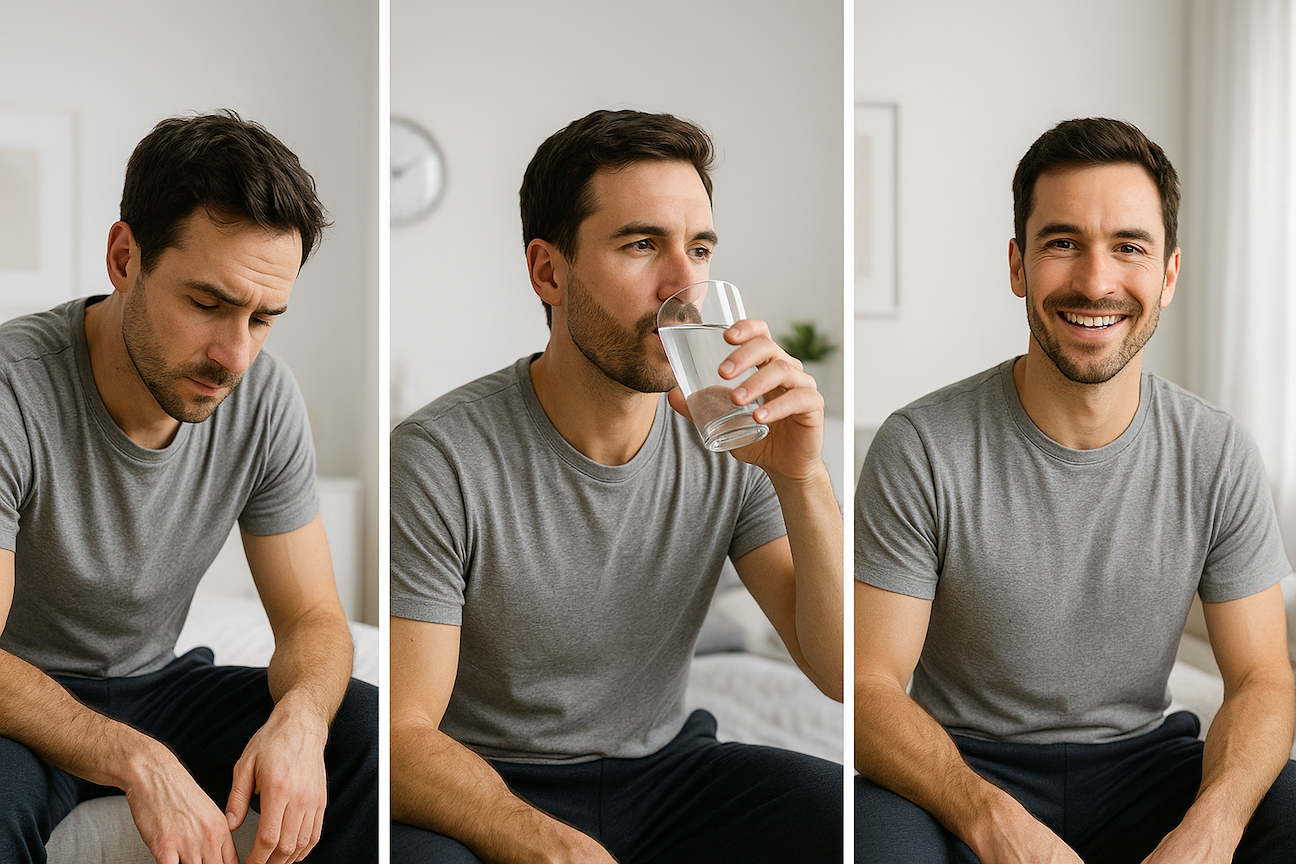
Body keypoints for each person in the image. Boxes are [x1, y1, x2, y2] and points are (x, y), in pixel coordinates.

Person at [389, 108, 844, 863]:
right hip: (490, 781)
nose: (684, 286)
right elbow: (403, 735)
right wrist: (545, 843)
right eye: (641, 245)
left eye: (699, 249)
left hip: (666, 777)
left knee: (844, 821)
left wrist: (805, 476)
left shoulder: (734, 439)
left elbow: (840, 671)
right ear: (549, 271)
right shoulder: (440, 455)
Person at [854, 117, 1296, 863]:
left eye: (1129, 247)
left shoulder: (1218, 452)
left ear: (1170, 274)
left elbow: (1261, 676)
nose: (1095, 282)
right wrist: (991, 821)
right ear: (1018, 265)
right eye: (1062, 243)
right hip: (959, 771)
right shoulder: (920, 447)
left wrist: (1212, 830)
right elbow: (870, 688)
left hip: (1145, 769)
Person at [0, 111, 377, 864]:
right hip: (23, 705)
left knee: (361, 725)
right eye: (208, 304)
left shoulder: (264, 398)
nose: (234, 355)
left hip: (158, 686)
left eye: (264, 318)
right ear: (124, 257)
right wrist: (137, 759)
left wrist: (302, 718)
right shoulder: (14, 388)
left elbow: (312, 616)